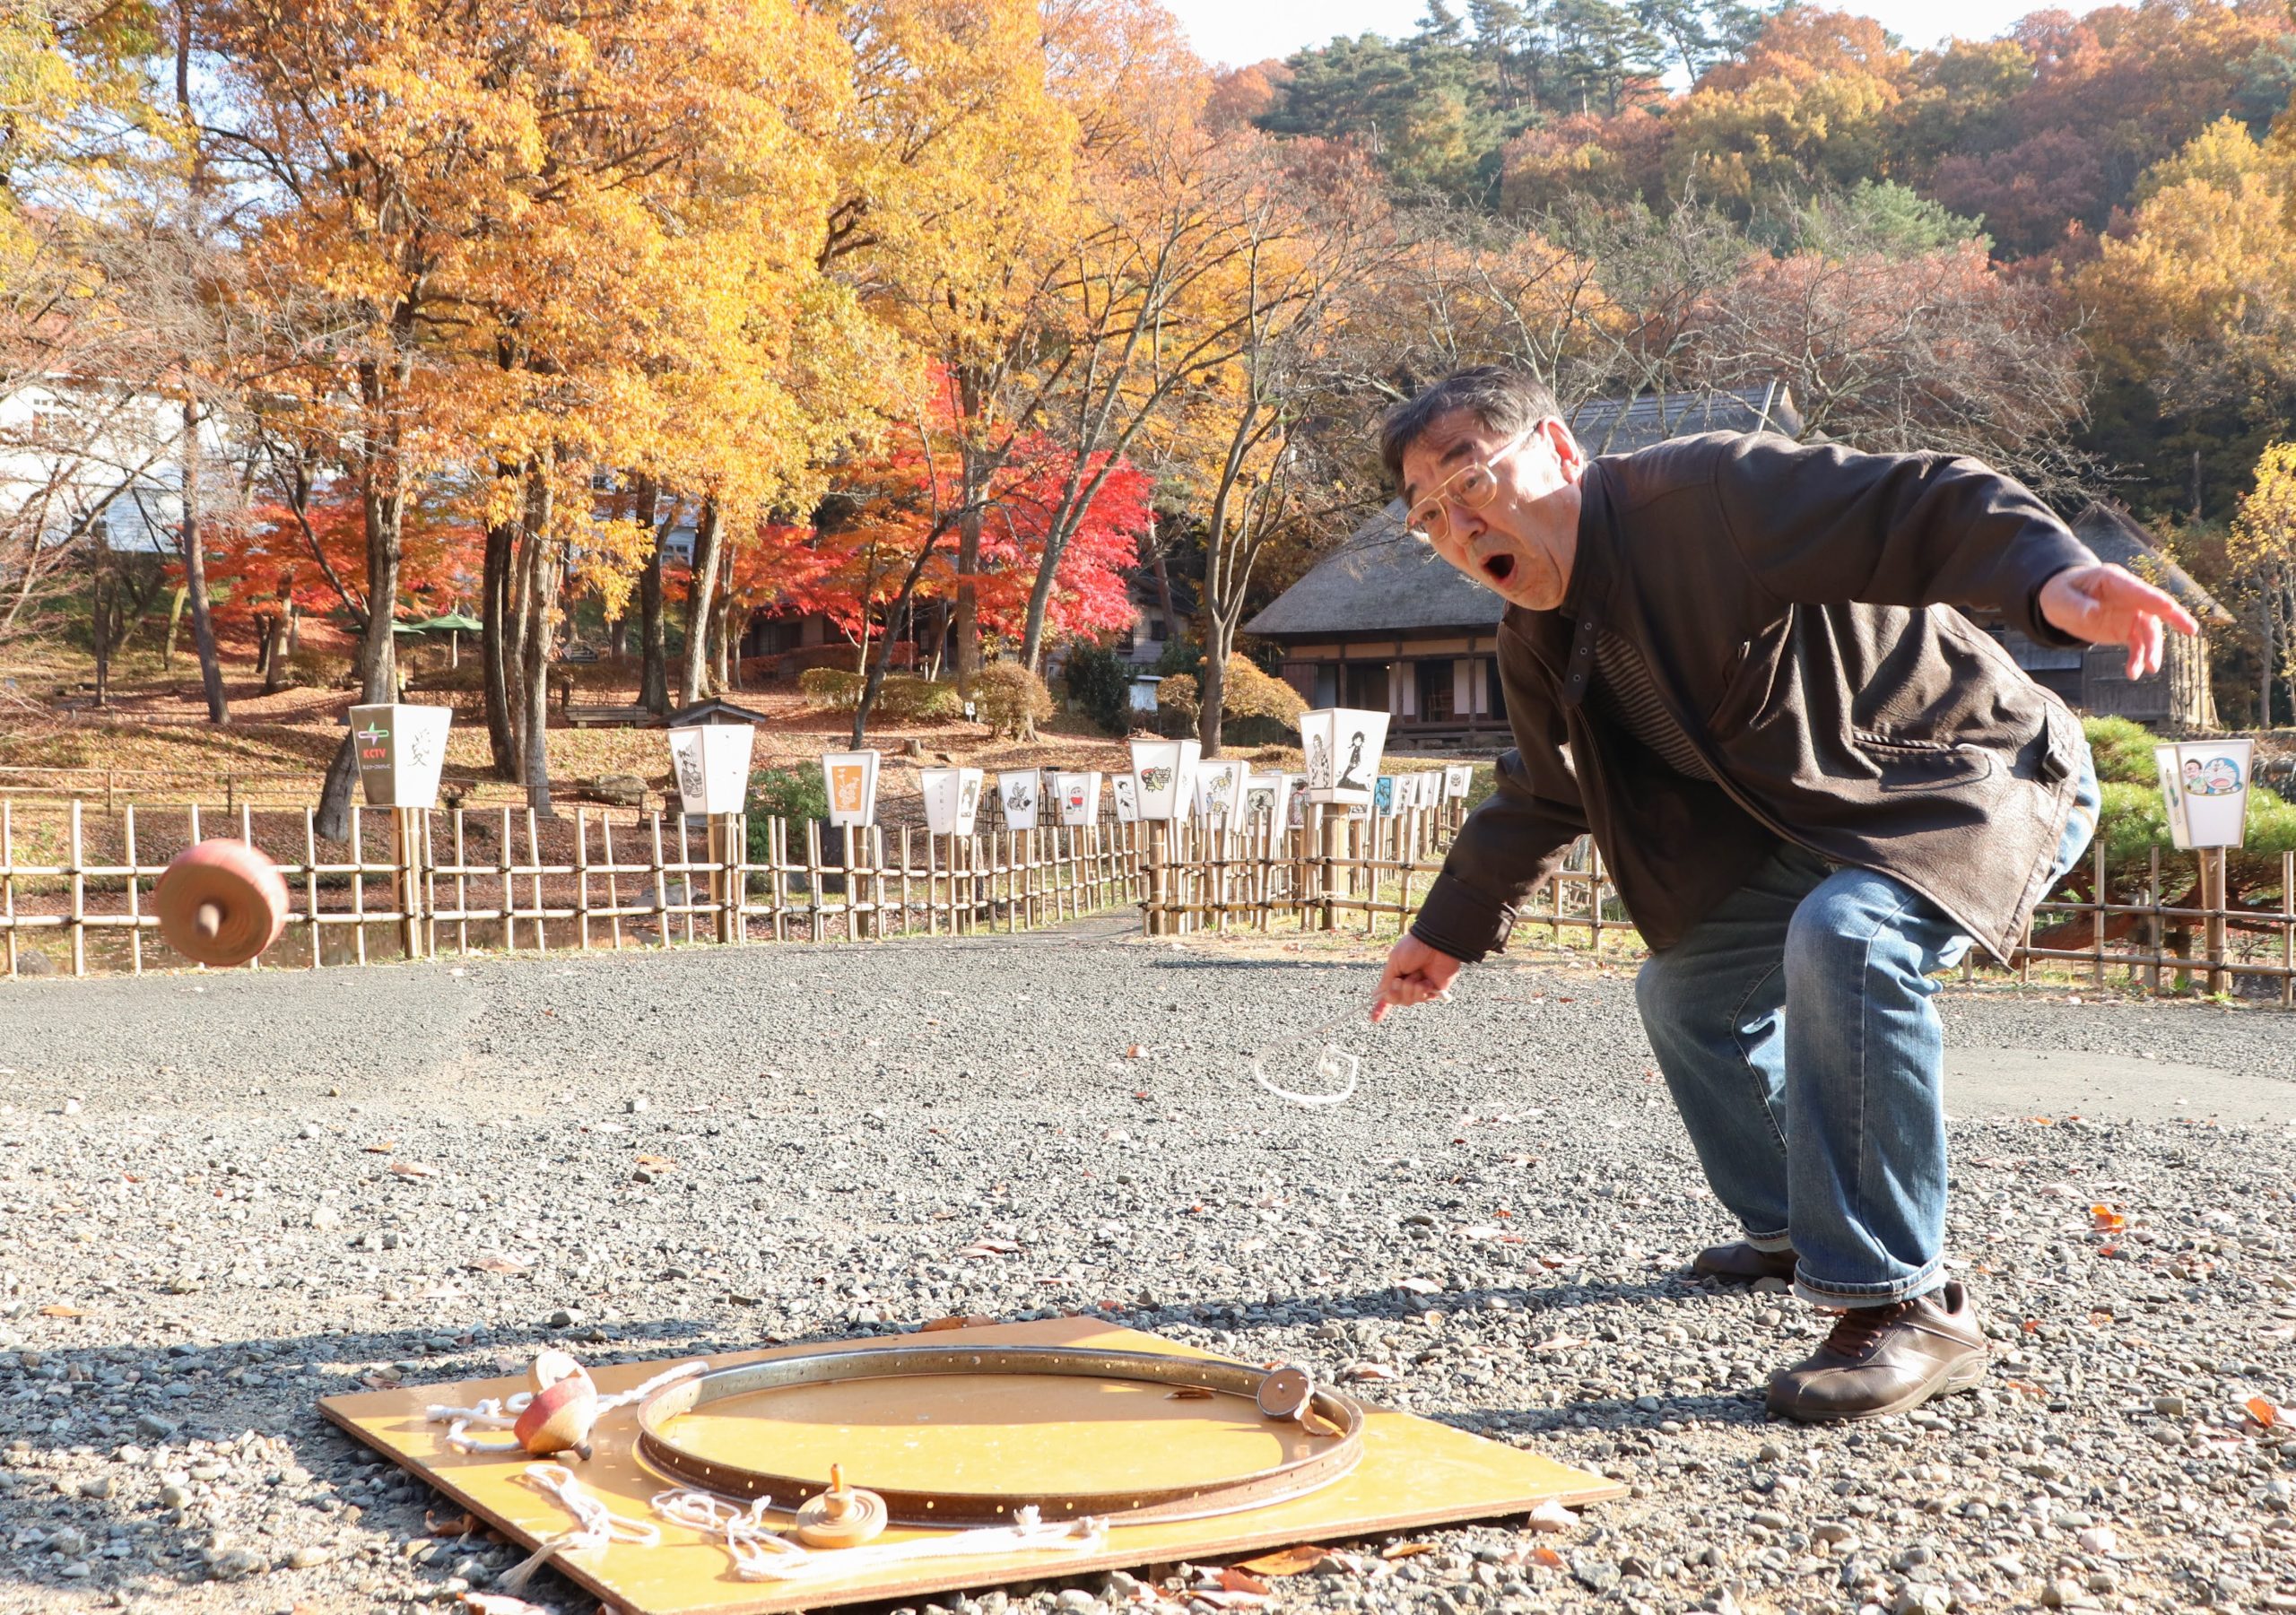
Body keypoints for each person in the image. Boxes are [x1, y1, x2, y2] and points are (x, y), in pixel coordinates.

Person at [1368, 368, 2196, 1422]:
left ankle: (1907, 1300)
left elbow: (1920, 500)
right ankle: (1794, 1225)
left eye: (1471, 478)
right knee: (1685, 993)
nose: (1455, 522)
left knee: (1847, 937)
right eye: (1428, 514)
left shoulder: (1708, 494)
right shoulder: (1535, 634)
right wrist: (1445, 932)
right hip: (1821, 823)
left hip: (1964, 769)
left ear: (1560, 449)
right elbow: (1541, 790)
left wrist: (2048, 579)